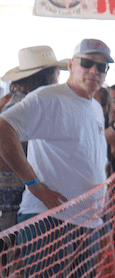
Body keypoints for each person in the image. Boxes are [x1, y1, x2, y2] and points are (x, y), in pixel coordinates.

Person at [0, 39, 115, 278]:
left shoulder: (95, 106)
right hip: (50, 220)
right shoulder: (48, 97)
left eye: (102, 67)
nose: (94, 71)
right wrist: (33, 184)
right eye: (87, 63)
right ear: (71, 66)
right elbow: (3, 129)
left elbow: (90, 157)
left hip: (87, 222)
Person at [0, 46, 66, 230]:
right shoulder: (24, 106)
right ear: (49, 76)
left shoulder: (16, 102)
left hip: (15, 198)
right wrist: (34, 184)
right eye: (56, 73)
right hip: (16, 199)